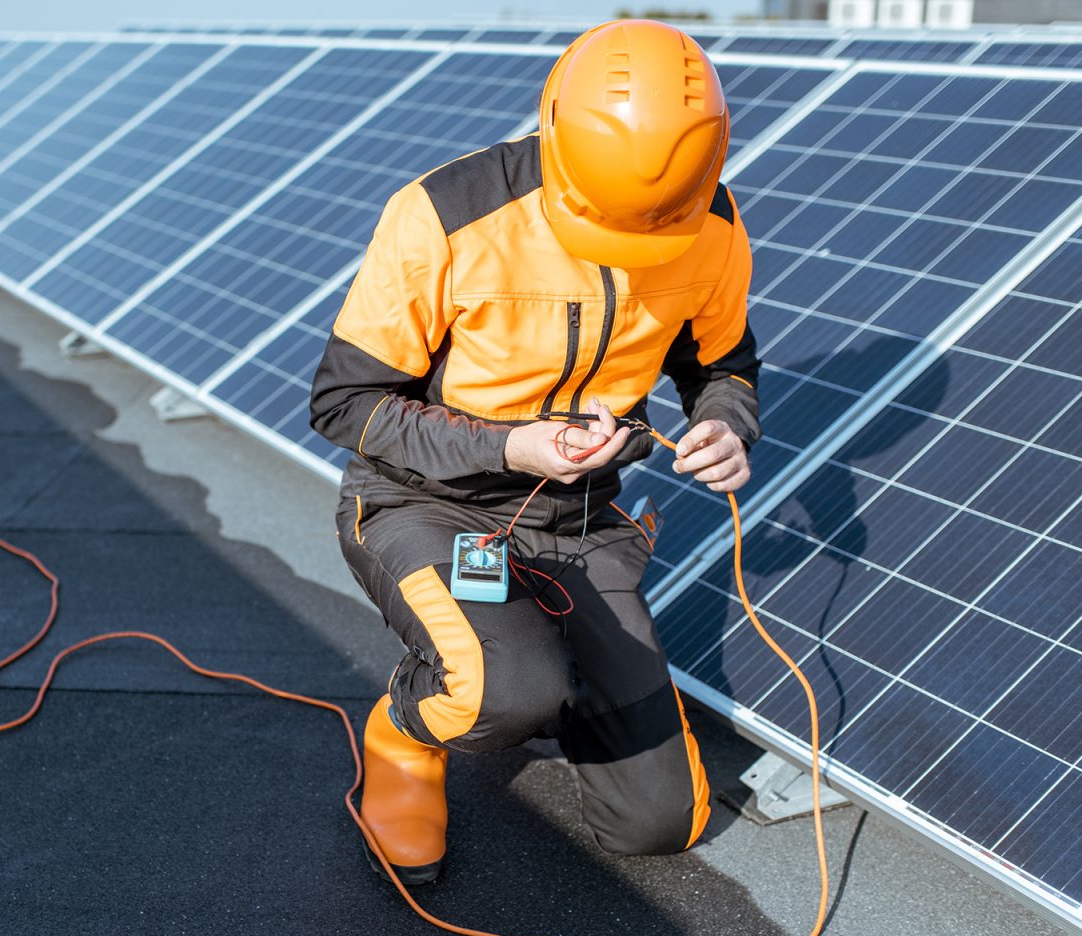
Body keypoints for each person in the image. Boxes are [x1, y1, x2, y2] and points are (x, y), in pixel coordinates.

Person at [309, 19, 760, 885]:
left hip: (582, 522)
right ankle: (403, 736)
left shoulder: (715, 223)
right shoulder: (444, 215)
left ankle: (549, 666)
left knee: (661, 823)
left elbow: (724, 367)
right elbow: (344, 403)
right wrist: (511, 444)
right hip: (425, 503)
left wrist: (727, 426)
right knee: (498, 693)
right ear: (554, 135)